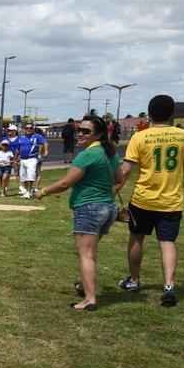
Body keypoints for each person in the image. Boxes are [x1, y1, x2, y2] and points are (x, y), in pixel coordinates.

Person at [116, 94, 184, 307]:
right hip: (171, 200)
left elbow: (126, 169)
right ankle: (169, 285)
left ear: (149, 113)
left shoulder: (140, 137)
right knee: (167, 243)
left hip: (143, 199)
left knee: (137, 238)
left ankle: (134, 280)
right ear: (171, 114)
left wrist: (114, 186)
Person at [36, 115, 119, 311]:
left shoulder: (87, 155)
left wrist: (43, 191)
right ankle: (84, 285)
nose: (80, 134)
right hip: (107, 208)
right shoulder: (110, 153)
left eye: (86, 131)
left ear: (98, 134)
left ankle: (90, 298)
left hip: (89, 208)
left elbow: (66, 183)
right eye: (79, 130)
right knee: (89, 252)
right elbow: (119, 177)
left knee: (86, 254)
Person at [8, 121, 47, 198]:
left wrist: (45, 151)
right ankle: (26, 191)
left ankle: (29, 192)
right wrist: (15, 159)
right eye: (27, 128)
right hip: (22, 159)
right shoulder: (21, 137)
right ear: (24, 129)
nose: (28, 129)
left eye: (30, 128)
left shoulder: (37, 136)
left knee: (30, 175)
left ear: (33, 129)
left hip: (32, 158)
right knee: (23, 176)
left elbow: (44, 143)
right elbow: (18, 149)